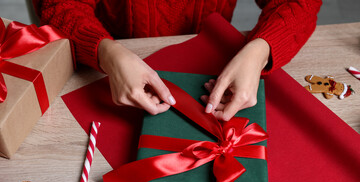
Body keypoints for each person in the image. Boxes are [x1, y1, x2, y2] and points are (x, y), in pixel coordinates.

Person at [33, 0, 322, 121]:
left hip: (215, 60)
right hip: (105, 67)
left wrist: (261, 50)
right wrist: (105, 53)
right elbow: (59, 6)